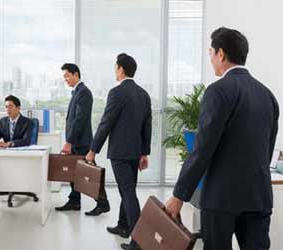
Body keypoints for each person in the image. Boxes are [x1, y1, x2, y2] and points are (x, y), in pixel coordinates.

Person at [166, 27, 279, 250]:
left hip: (221, 198)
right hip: (258, 195)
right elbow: (267, 150)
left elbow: (203, 149)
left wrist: (179, 195)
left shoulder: (219, 91)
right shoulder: (268, 95)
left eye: (211, 52)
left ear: (221, 54)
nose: (210, 58)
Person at [86, 53, 152, 250]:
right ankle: (124, 226)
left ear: (122, 69)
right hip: (134, 153)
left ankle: (139, 241)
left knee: (128, 192)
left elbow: (106, 123)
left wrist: (92, 150)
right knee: (128, 189)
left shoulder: (117, 93)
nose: (115, 71)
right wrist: (144, 153)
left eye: (116, 67)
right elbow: (147, 126)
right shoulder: (143, 94)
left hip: (121, 153)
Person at [55, 63, 110, 216]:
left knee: (91, 173)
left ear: (76, 74)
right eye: (64, 76)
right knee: (74, 171)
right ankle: (74, 201)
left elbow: (80, 119)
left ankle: (103, 203)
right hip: (76, 141)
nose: (65, 79)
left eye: (67, 75)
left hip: (81, 142)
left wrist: (69, 141)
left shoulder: (84, 92)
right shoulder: (77, 92)